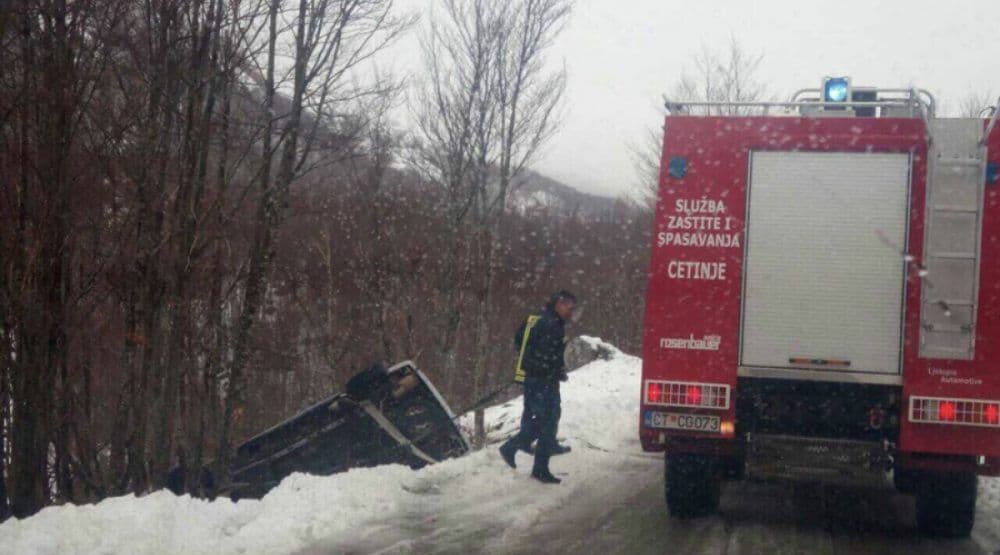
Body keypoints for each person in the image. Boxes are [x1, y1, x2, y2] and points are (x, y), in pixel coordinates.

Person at [499, 290, 577, 484]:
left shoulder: (547, 320)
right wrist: (550, 369)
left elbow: (542, 350)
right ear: (559, 303)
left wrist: (556, 370)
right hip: (541, 380)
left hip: (543, 378)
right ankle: (516, 448)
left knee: (550, 419)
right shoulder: (549, 323)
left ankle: (535, 463)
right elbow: (542, 353)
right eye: (569, 306)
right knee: (546, 421)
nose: (571, 311)